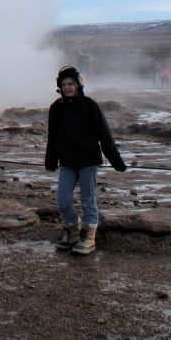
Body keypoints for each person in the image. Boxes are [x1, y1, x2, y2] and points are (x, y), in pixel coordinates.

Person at [45, 65, 127, 256]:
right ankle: (72, 227)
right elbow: (53, 137)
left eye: (71, 84)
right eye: (64, 84)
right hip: (67, 162)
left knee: (88, 199)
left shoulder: (90, 106)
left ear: (78, 84)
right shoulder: (56, 108)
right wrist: (50, 160)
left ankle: (89, 236)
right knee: (62, 200)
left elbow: (105, 135)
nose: (67, 87)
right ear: (59, 86)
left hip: (88, 161)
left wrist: (116, 161)